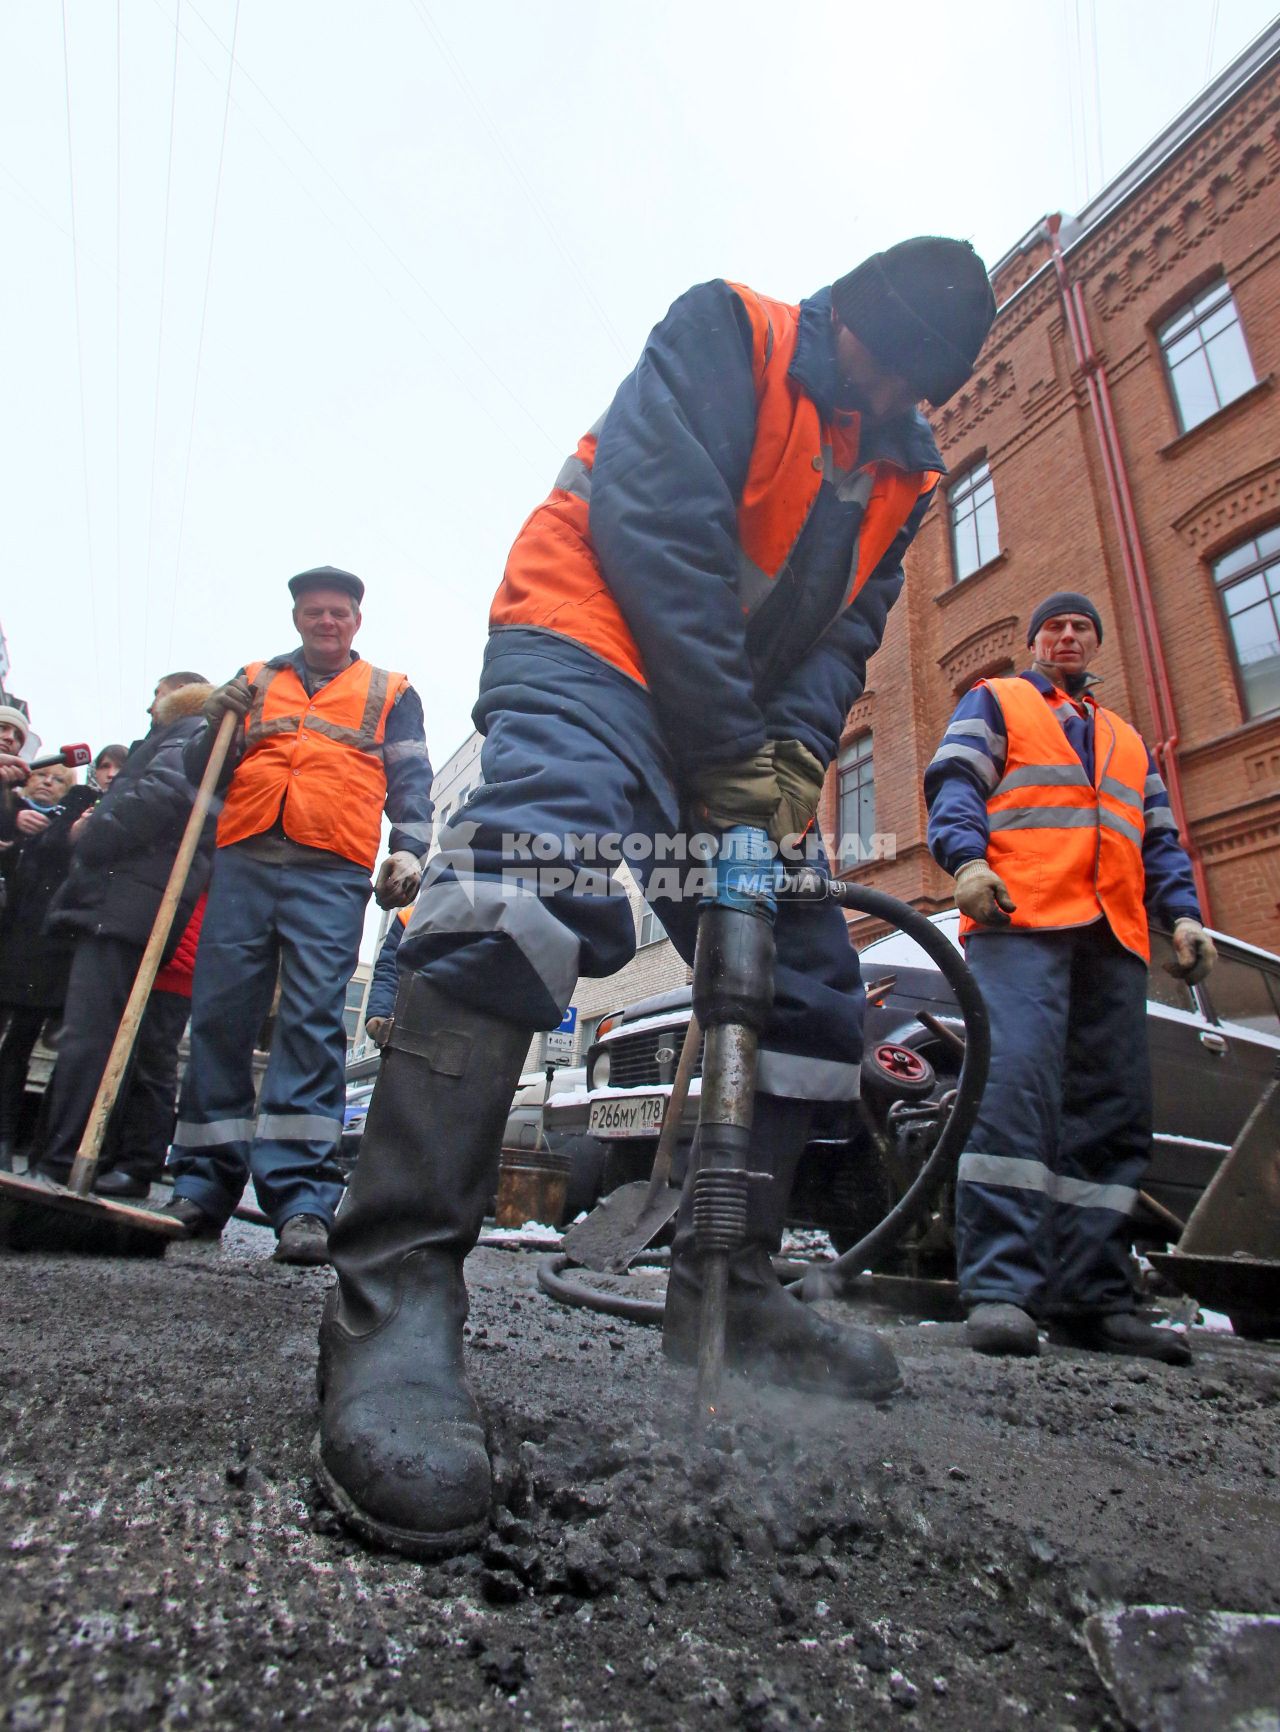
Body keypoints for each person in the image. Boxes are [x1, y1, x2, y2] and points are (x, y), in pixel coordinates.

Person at [315, 237, 997, 1557]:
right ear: (844, 315)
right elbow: (655, 530)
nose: (887, 394)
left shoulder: (907, 469)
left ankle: (729, 1285)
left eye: (915, 383)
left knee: (805, 978)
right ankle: (389, 1301)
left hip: (727, 711)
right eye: (877, 359)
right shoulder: (728, 333)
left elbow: (845, 630)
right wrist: (736, 746)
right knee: (536, 866)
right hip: (593, 626)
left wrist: (793, 752)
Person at [924, 592, 1216, 1364]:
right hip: (1021, 922)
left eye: (1080, 628)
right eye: (1053, 625)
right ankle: (1000, 1290)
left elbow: (1160, 841)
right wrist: (967, 859)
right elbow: (955, 780)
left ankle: (1092, 1297)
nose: (1066, 636)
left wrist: (1182, 914)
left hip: (1112, 939)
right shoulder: (1000, 701)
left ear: (1093, 646)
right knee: (1015, 1099)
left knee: (1112, 1114)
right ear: (1034, 640)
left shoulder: (1127, 741)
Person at [162, 567, 433, 1265]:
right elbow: (205, 771)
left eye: (338, 612)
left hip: (332, 867)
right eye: (314, 611)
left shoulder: (389, 692)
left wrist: (408, 850)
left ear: (356, 621)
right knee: (221, 1015)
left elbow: (411, 780)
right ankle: (200, 1184)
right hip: (246, 859)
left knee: (313, 1019)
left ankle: (303, 1197)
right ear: (296, 617)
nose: (326, 622)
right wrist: (213, 721)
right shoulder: (252, 681)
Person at [32, 674, 215, 1195]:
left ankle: (64, 1160)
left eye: (157, 694)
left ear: (173, 698)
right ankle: (85, 1156)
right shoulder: (186, 736)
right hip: (135, 901)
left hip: (127, 900)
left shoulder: (185, 732)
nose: (148, 703)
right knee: (111, 1038)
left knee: (95, 1037)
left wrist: (92, 832)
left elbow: (161, 795)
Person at [0, 760, 97, 1169]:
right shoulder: (12, 810)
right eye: (43, 775)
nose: (47, 783)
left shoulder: (66, 823)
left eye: (59, 780)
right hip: (14, 940)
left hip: (43, 950)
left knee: (20, 1041)